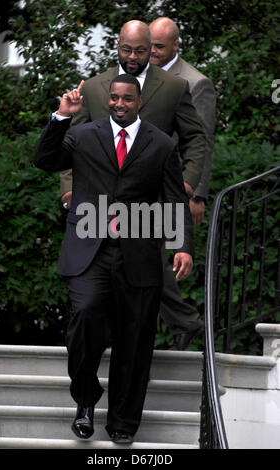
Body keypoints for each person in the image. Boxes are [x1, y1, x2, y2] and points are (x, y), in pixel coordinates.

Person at [34, 74, 194, 443]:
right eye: (115, 98)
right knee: (87, 315)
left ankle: (123, 423)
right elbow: (45, 159)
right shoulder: (84, 134)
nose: (120, 104)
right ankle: (86, 401)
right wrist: (61, 117)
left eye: (127, 99)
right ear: (109, 100)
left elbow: (174, 199)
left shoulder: (161, 144)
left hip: (139, 253)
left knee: (135, 340)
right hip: (90, 249)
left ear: (139, 102)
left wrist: (182, 244)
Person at [59, 20, 206, 351]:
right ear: (117, 46)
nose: (133, 56)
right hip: (98, 201)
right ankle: (178, 322)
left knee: (144, 270)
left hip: (149, 199)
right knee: (101, 274)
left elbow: (196, 137)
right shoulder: (96, 87)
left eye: (141, 50)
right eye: (127, 49)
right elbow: (72, 139)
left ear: (151, 47)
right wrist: (68, 184)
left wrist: (186, 182)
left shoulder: (173, 87)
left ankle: (152, 340)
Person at [149, 17, 216, 350]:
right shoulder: (138, 73)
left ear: (177, 45)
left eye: (159, 46)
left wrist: (196, 193)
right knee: (144, 256)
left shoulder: (194, 82)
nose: (153, 52)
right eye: (150, 45)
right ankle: (182, 320)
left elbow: (201, 141)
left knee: (148, 256)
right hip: (138, 184)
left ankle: (183, 320)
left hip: (173, 187)